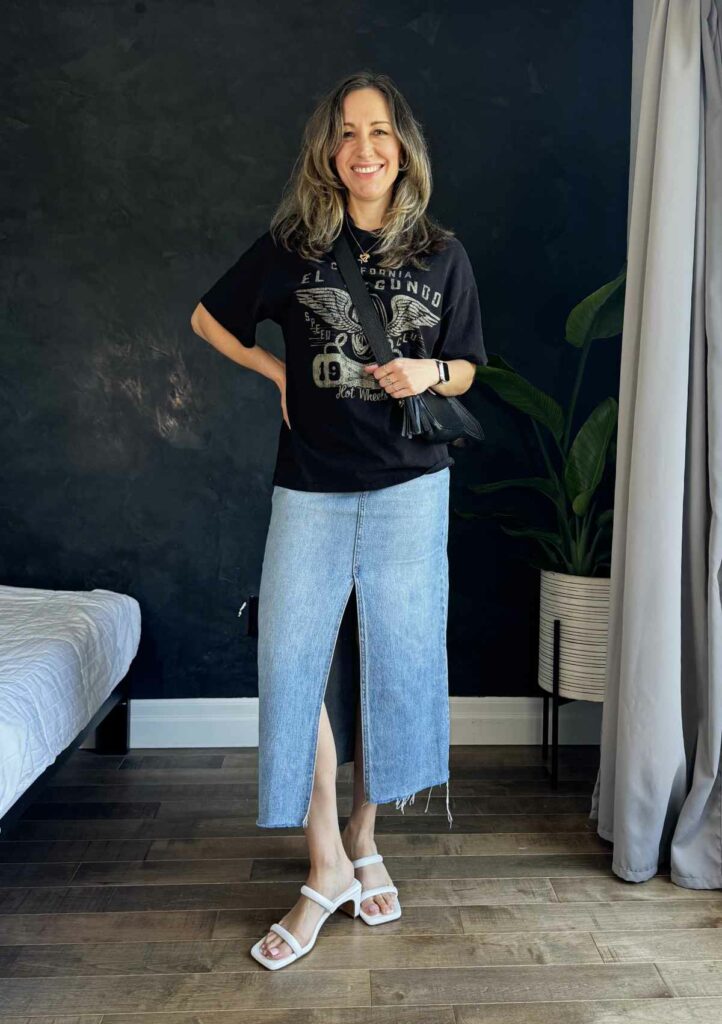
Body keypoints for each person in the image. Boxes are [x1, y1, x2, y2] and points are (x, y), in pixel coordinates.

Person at [191, 70, 488, 970]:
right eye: (349, 133)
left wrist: (427, 375)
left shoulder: (443, 253)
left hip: (410, 488)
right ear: (330, 151)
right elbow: (209, 320)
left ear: (404, 150)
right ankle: (322, 863)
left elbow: (469, 367)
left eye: (382, 133)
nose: (366, 148)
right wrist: (277, 374)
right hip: (311, 485)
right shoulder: (293, 247)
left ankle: (363, 840)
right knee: (293, 657)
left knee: (393, 661)